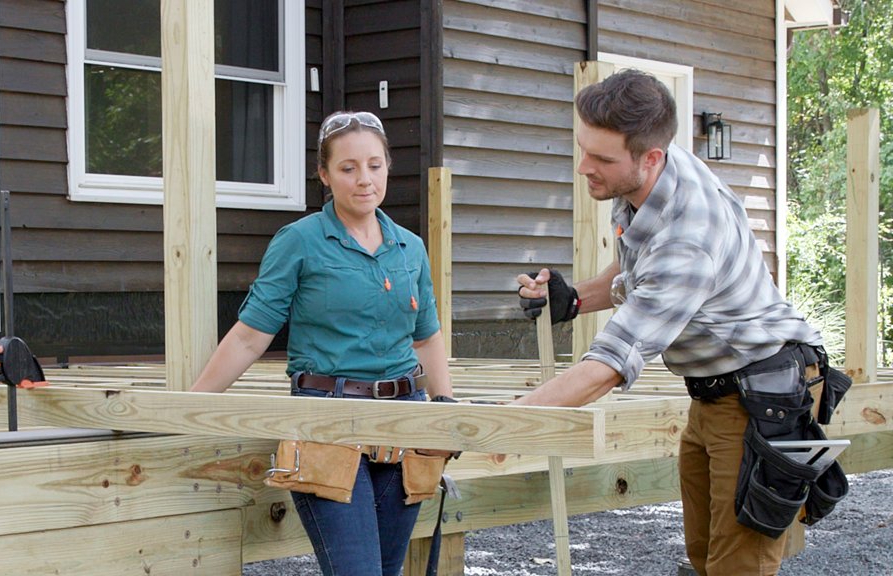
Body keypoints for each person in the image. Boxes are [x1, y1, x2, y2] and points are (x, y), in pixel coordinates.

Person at [514, 69, 840, 576]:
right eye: (583, 149)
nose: (584, 167)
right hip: (712, 391)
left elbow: (609, 364)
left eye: (601, 159)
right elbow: (636, 272)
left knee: (738, 566)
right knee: (704, 556)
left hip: (761, 395)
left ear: (651, 158)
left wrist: (503, 422)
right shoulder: (647, 181)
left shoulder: (689, 233)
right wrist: (575, 298)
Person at [191, 110, 456, 576]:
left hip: (403, 421)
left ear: (388, 167)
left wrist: (446, 405)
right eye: (348, 168)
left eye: (374, 165)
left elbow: (427, 334)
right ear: (324, 175)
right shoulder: (299, 241)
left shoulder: (409, 247)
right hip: (327, 422)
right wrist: (189, 407)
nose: (364, 180)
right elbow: (251, 336)